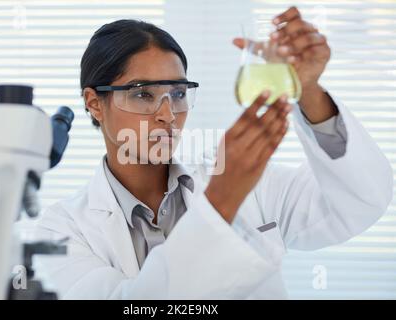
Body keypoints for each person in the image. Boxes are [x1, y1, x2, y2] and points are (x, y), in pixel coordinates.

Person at [35, 7, 393, 299]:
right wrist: (221, 200)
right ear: (94, 103)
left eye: (177, 93)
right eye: (143, 94)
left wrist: (308, 89)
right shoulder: (62, 232)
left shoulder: (248, 180)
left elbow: (360, 201)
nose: (167, 113)